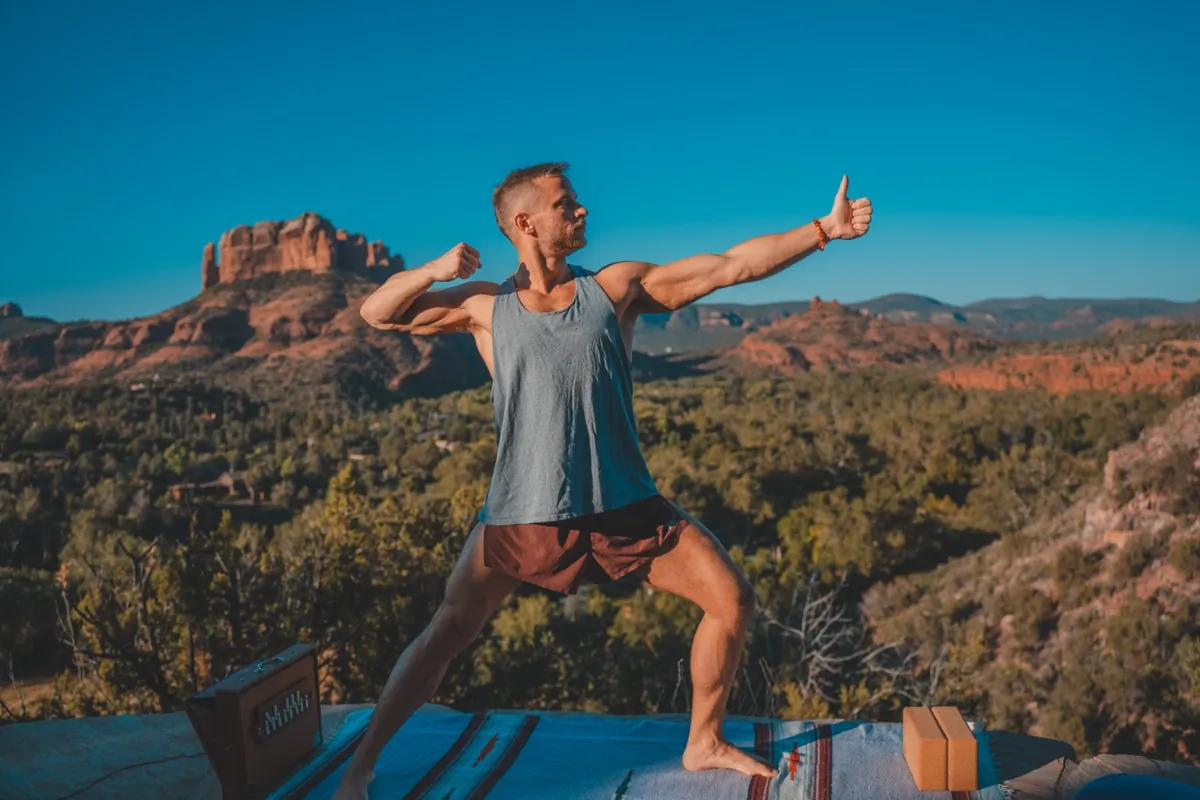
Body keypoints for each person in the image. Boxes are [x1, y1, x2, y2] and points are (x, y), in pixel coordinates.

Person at [334, 162, 872, 798]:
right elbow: (379, 313)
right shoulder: (484, 306)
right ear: (526, 223)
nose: (582, 210)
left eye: (578, 201)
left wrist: (822, 231)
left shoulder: (615, 288)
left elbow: (731, 266)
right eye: (567, 204)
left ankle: (704, 742)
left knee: (731, 600)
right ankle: (361, 764)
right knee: (448, 631)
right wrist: (428, 272)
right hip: (522, 512)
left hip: (624, 506)